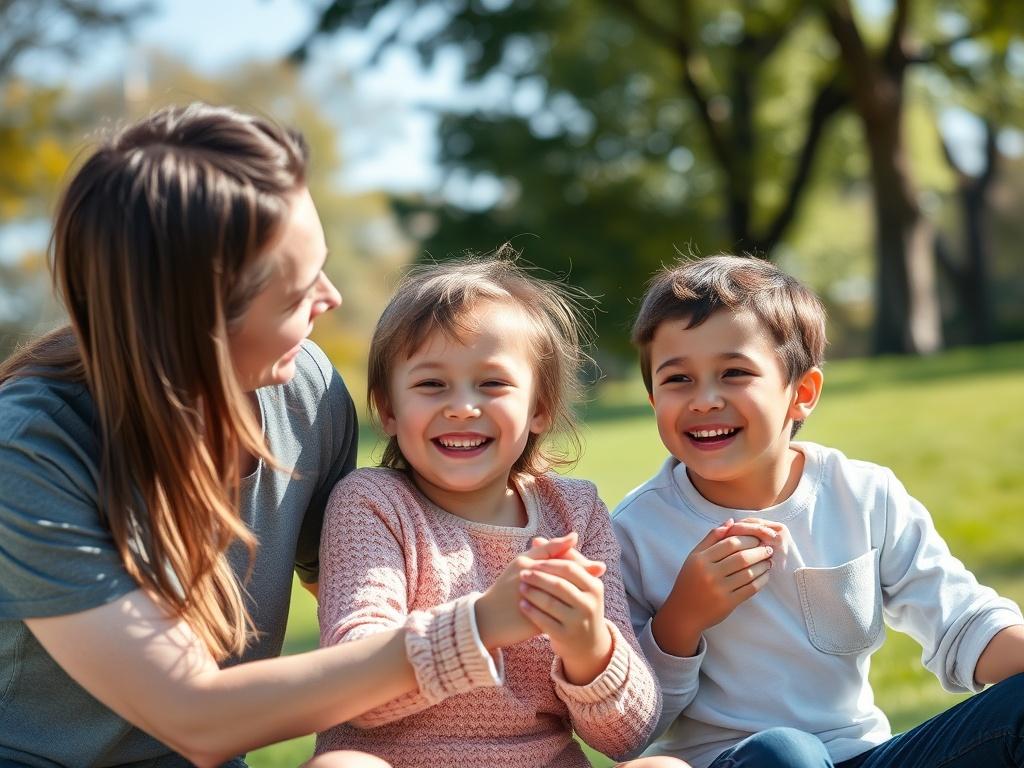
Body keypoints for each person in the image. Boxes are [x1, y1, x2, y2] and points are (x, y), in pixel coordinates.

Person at [0, 104, 562, 768]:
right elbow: (195, 717)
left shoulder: (307, 389)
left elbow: (362, 601)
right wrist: (472, 628)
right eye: (297, 295)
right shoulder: (33, 450)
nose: (331, 299)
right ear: (200, 325)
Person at [612, 254, 1024, 768]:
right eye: (678, 380)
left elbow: (962, 622)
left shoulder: (862, 495)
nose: (704, 400)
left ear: (801, 394)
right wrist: (683, 616)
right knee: (787, 753)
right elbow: (630, 725)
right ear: (652, 398)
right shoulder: (633, 533)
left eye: (734, 372)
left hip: (867, 755)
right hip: (745, 762)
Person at [314, 256, 689, 768]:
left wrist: (589, 647)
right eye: (431, 385)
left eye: (492, 384)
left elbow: (628, 737)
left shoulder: (574, 512)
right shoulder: (372, 503)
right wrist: (483, 623)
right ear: (388, 409)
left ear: (539, 407)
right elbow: (352, 688)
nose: (463, 407)